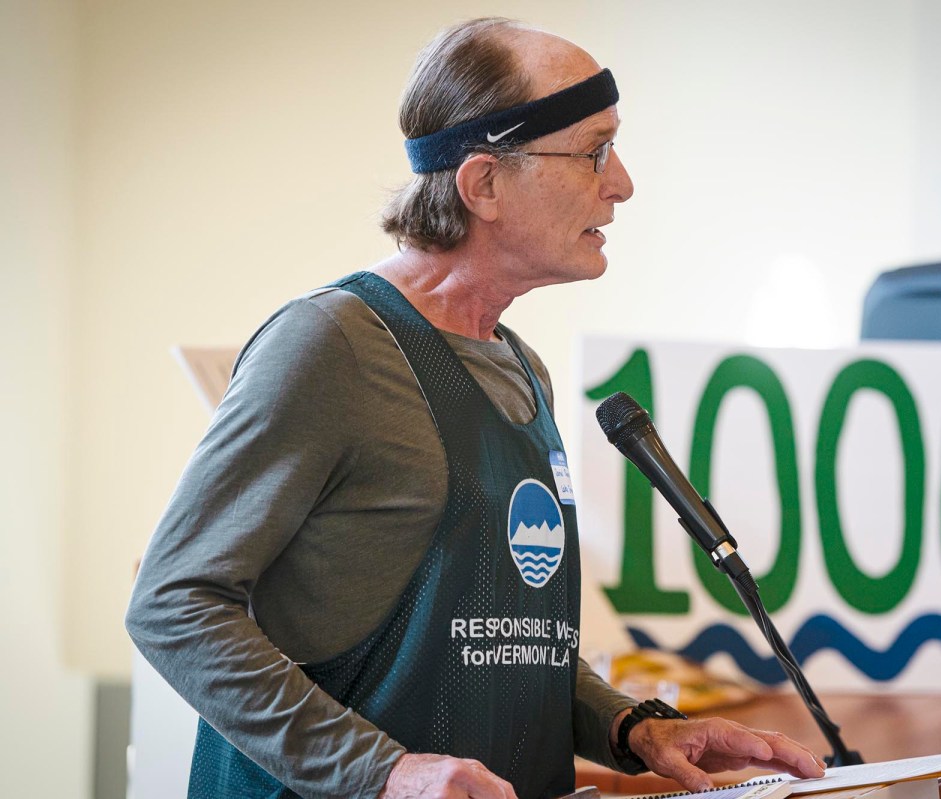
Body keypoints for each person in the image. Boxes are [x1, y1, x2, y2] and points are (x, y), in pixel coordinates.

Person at [126, 17, 825, 799]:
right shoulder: (330, 344)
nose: (621, 181)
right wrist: (385, 771)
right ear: (483, 184)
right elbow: (172, 605)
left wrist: (635, 728)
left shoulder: (523, 368)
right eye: (593, 150)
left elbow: (505, 652)